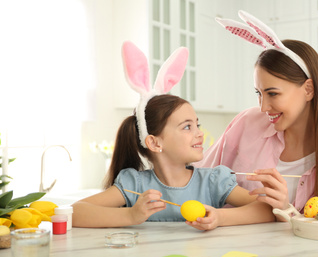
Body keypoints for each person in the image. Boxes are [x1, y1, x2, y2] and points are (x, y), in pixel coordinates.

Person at [72, 41, 275, 230]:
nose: (200, 134)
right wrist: (131, 215)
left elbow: (267, 210)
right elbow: (73, 213)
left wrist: (220, 218)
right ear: (154, 142)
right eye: (187, 127)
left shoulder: (212, 182)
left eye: (197, 125)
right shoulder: (134, 185)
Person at [194, 10, 318, 214]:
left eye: (273, 94)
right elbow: (200, 177)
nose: (263, 106)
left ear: (308, 90)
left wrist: (286, 211)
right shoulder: (247, 122)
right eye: (259, 93)